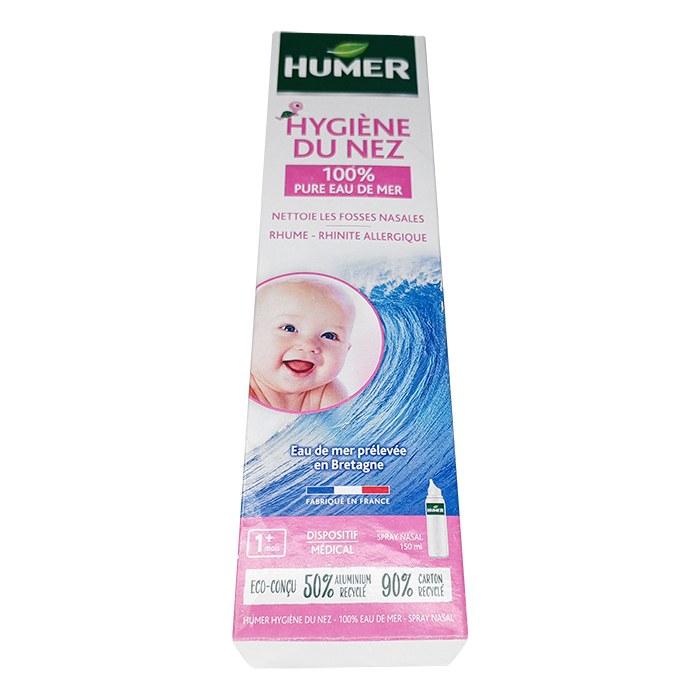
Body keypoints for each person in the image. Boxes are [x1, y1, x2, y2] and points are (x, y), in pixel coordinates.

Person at [249, 277, 356, 412]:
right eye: (289, 328)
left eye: (329, 336)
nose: (309, 345)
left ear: (346, 351)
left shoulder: (328, 393)